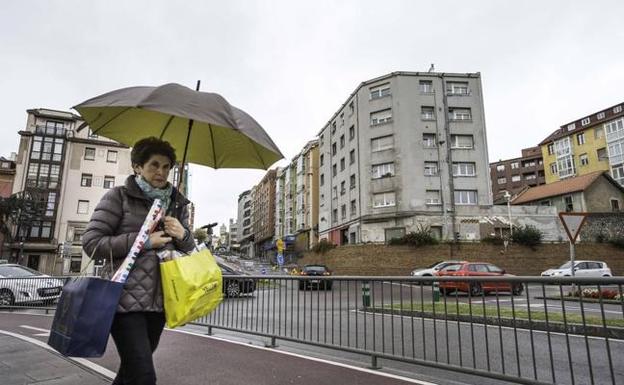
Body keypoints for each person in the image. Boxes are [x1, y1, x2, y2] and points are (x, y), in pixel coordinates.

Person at [82, 137, 195, 385]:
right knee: (144, 375)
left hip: (159, 303)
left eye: (166, 167)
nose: (161, 172)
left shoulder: (177, 205)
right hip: (123, 300)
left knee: (131, 373)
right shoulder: (119, 197)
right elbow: (92, 243)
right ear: (137, 167)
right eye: (154, 165)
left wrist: (183, 234)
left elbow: (188, 249)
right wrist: (143, 241)